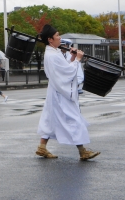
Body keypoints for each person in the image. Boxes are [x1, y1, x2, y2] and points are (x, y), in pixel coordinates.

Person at [35, 24, 100, 161]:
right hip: (61, 93)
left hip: (55, 91)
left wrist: (71, 59)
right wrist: (77, 60)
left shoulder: (53, 52)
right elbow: (67, 72)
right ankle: (83, 151)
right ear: (50, 39)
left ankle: (42, 147)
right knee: (73, 120)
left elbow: (64, 68)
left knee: (50, 118)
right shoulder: (52, 55)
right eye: (57, 35)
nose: (60, 38)